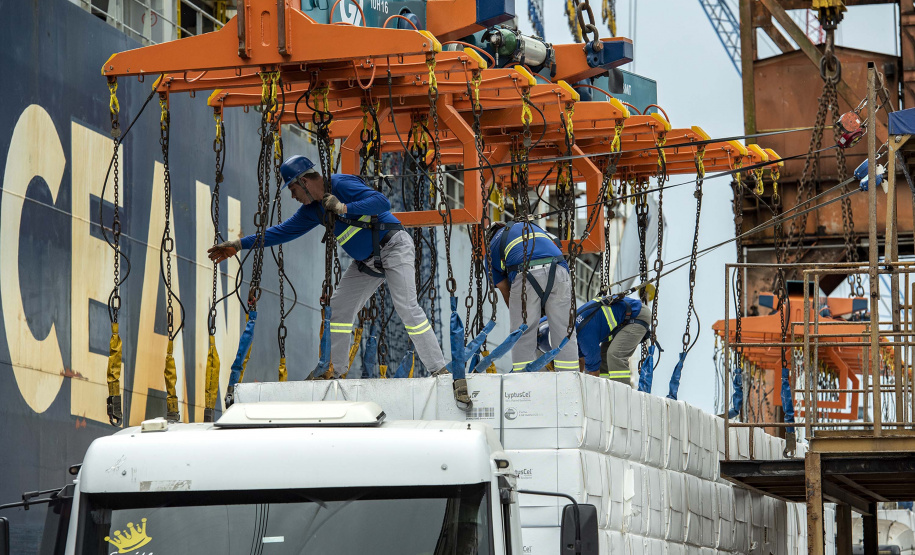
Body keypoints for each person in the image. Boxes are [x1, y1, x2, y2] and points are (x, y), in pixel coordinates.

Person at [208, 155, 470, 405]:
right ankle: (336, 371)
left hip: (394, 247)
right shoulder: (312, 211)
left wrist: (345, 208)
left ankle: (440, 371)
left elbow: (381, 203)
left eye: (292, 189)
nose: (292, 196)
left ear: (304, 181)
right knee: (340, 307)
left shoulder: (341, 184)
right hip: (367, 262)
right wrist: (239, 244)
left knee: (406, 307)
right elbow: (281, 232)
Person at [485, 220, 579, 372]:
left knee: (523, 332)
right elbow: (556, 245)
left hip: (524, 275)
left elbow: (505, 290)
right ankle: (569, 377)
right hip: (559, 269)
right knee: (564, 328)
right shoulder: (533, 227)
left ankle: (525, 379)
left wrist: (525, 316)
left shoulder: (492, 248)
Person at [537, 296, 649, 383]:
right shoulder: (569, 326)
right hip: (621, 322)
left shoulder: (584, 337)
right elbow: (581, 360)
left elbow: (594, 372)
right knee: (603, 356)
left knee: (614, 355)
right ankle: (606, 392)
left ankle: (622, 395)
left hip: (636, 316)